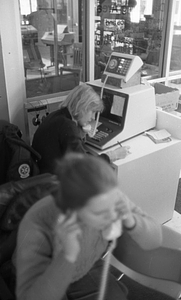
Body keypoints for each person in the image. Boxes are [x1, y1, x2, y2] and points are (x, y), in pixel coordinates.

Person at [16, 152, 163, 300]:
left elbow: (155, 241)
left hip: (85, 268)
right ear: (73, 211)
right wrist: (68, 255)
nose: (113, 216)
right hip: (47, 279)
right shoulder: (37, 226)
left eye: (113, 204)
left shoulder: (107, 197)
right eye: (100, 213)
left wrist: (132, 221)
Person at [32, 83, 130, 173]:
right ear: (83, 107)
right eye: (92, 112)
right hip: (55, 183)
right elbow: (85, 167)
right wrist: (113, 155)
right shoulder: (68, 126)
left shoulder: (56, 116)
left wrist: (80, 132)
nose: (92, 118)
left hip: (43, 173)